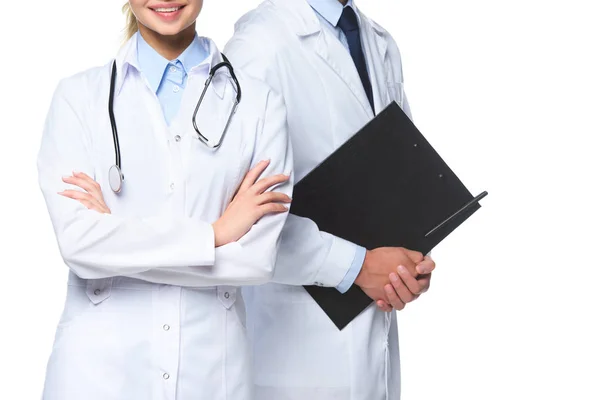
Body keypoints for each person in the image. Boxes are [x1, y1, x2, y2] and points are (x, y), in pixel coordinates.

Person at [36, 1, 293, 399]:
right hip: (99, 376)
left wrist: (116, 243)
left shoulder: (259, 105)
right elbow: (79, 245)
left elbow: (256, 260)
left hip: (209, 374)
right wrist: (215, 235)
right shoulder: (78, 98)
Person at [223, 0, 436, 399]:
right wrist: (356, 266)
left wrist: (406, 266)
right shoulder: (258, 46)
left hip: (374, 340)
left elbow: (402, 171)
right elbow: (234, 223)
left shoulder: (378, 42)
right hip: (295, 356)